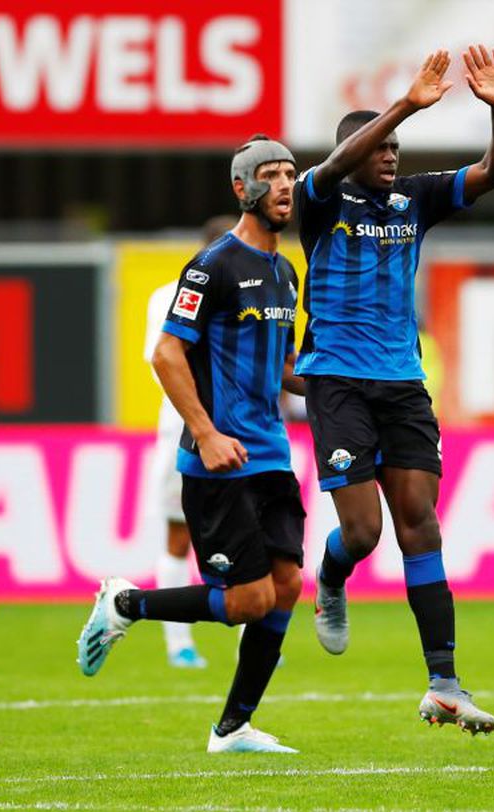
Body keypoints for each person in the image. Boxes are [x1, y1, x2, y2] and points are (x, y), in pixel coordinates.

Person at [296, 46, 494, 734]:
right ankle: (332, 575)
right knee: (363, 532)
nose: (392, 153)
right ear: (353, 149)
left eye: (398, 144)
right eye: (381, 144)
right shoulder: (318, 197)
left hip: (402, 385)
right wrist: (407, 104)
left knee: (420, 521)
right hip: (336, 382)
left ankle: (444, 681)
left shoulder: (412, 199)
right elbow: (329, 167)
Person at [77, 136, 306, 754]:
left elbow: (285, 369)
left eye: (291, 173)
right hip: (219, 459)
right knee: (250, 599)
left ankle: (233, 728)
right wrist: (205, 433)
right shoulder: (214, 265)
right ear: (242, 188)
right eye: (271, 175)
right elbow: (166, 352)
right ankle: (126, 602)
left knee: (285, 588)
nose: (285, 184)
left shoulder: (285, 273)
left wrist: (352, 387)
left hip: (272, 453)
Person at [142, 214, 236, 669]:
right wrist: (203, 425)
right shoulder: (170, 297)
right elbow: (163, 363)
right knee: (179, 539)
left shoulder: (252, 292)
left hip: (243, 434)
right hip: (185, 433)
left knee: (246, 540)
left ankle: (249, 641)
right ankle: (178, 644)